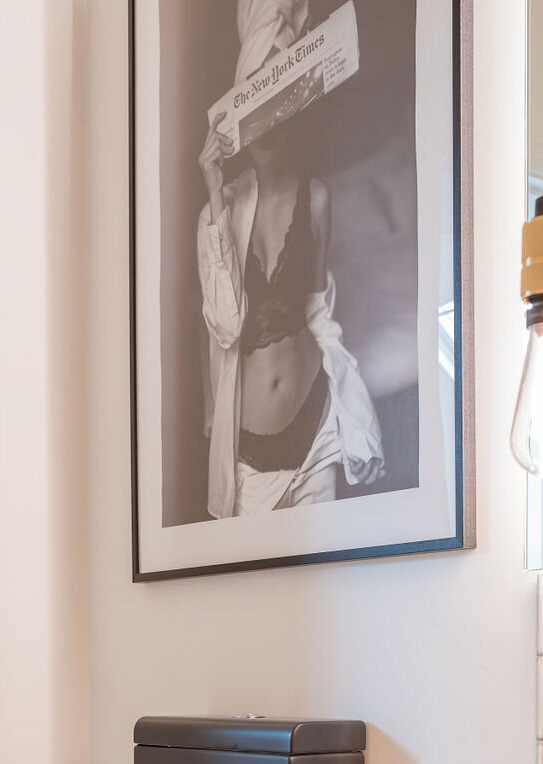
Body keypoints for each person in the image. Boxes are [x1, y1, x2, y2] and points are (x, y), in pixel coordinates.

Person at [196, 6, 384, 519]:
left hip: (316, 432)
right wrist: (214, 191)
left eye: (274, 100)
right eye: (251, 103)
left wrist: (353, 407)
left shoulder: (316, 198)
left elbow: (318, 312)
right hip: (252, 462)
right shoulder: (220, 213)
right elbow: (226, 325)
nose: (263, 125)